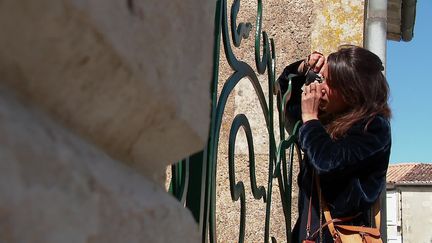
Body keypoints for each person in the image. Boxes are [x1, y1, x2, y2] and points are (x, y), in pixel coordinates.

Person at [277, 45, 391, 242]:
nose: (320, 87)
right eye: (322, 79)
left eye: (328, 82)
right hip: (309, 233)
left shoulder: (373, 127)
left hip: (341, 236)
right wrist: (304, 68)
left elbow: (328, 161)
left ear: (350, 92)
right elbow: (287, 98)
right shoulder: (330, 117)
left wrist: (311, 119)